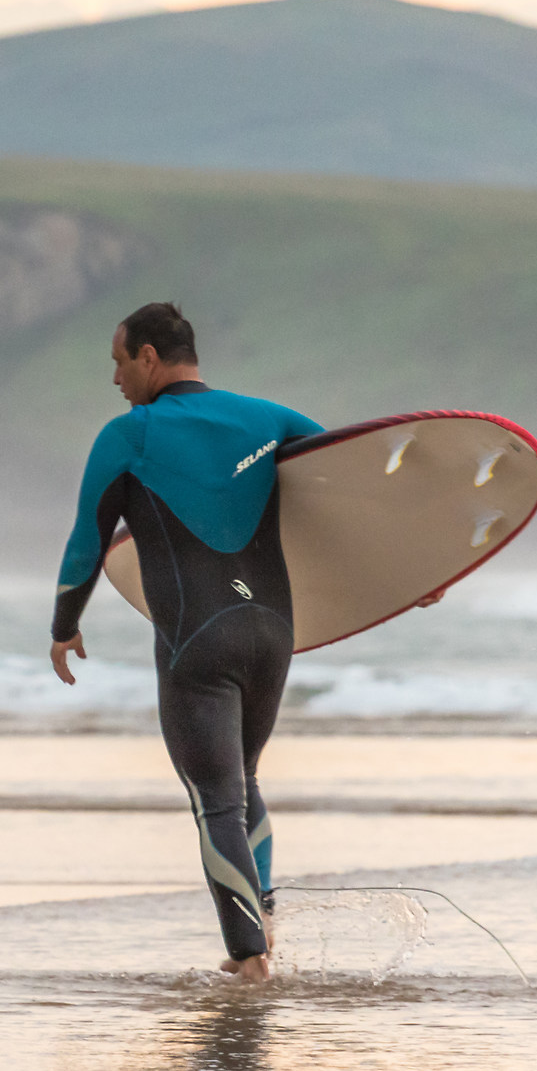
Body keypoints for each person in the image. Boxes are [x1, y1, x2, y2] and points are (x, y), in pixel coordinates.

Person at [49, 303, 323, 981]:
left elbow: (89, 538)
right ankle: (262, 935)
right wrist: (414, 574)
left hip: (199, 642)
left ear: (147, 357)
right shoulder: (272, 418)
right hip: (273, 636)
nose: (115, 379)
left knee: (215, 800)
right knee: (243, 785)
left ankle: (250, 959)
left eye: (118, 362)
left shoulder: (130, 434)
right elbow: (351, 486)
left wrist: (64, 624)